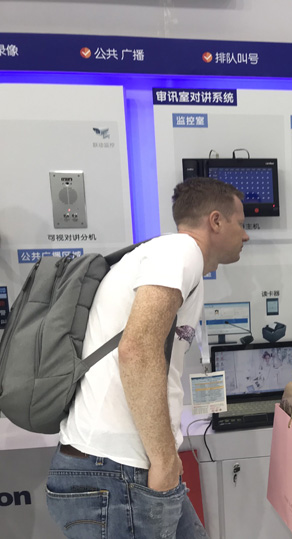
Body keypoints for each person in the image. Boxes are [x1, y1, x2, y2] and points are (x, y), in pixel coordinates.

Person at [46, 177, 250, 539]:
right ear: (216, 221)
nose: (246, 235)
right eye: (241, 223)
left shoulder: (167, 255)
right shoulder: (181, 253)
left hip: (122, 469)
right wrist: (165, 460)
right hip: (118, 472)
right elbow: (137, 351)